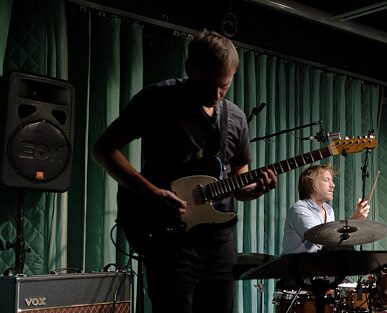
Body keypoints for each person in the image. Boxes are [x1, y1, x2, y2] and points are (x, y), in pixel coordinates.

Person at [92, 30, 277, 313]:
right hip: (170, 238)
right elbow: (104, 149)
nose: (216, 94)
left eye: (224, 87)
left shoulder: (236, 118)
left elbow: (239, 182)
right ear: (191, 69)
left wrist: (255, 189)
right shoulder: (157, 99)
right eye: (210, 84)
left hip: (219, 241)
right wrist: (150, 193)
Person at [282, 164, 370, 254]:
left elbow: (331, 247)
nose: (333, 185)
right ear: (311, 183)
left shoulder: (329, 210)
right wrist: (354, 221)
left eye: (332, 180)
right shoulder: (299, 209)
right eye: (327, 180)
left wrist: (356, 222)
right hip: (295, 266)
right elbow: (322, 239)